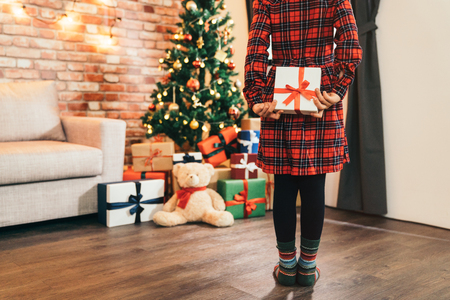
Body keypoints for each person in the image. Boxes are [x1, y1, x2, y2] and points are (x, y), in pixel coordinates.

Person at [243, 0, 362, 286]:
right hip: (318, 92)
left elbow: (256, 50)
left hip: (278, 97)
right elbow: (351, 47)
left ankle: (286, 267)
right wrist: (334, 87)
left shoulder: (268, 1)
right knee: (313, 186)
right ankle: (307, 268)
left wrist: (257, 95)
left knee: (283, 184)